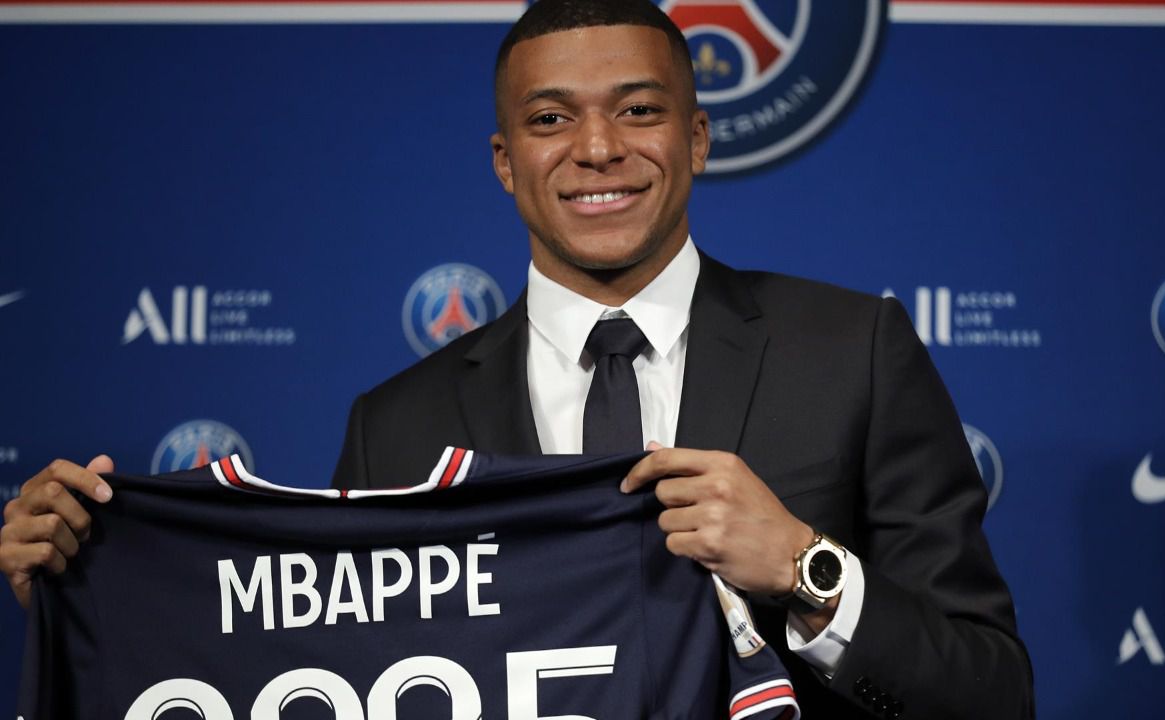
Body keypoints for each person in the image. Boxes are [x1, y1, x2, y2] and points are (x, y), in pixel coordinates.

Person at [1, 1, 1034, 717]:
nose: (598, 148)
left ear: (697, 139)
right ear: (505, 161)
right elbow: (327, 682)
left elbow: (991, 693)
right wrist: (98, 600)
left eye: (639, 109)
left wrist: (808, 570)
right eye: (549, 120)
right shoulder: (394, 424)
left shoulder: (851, 352)